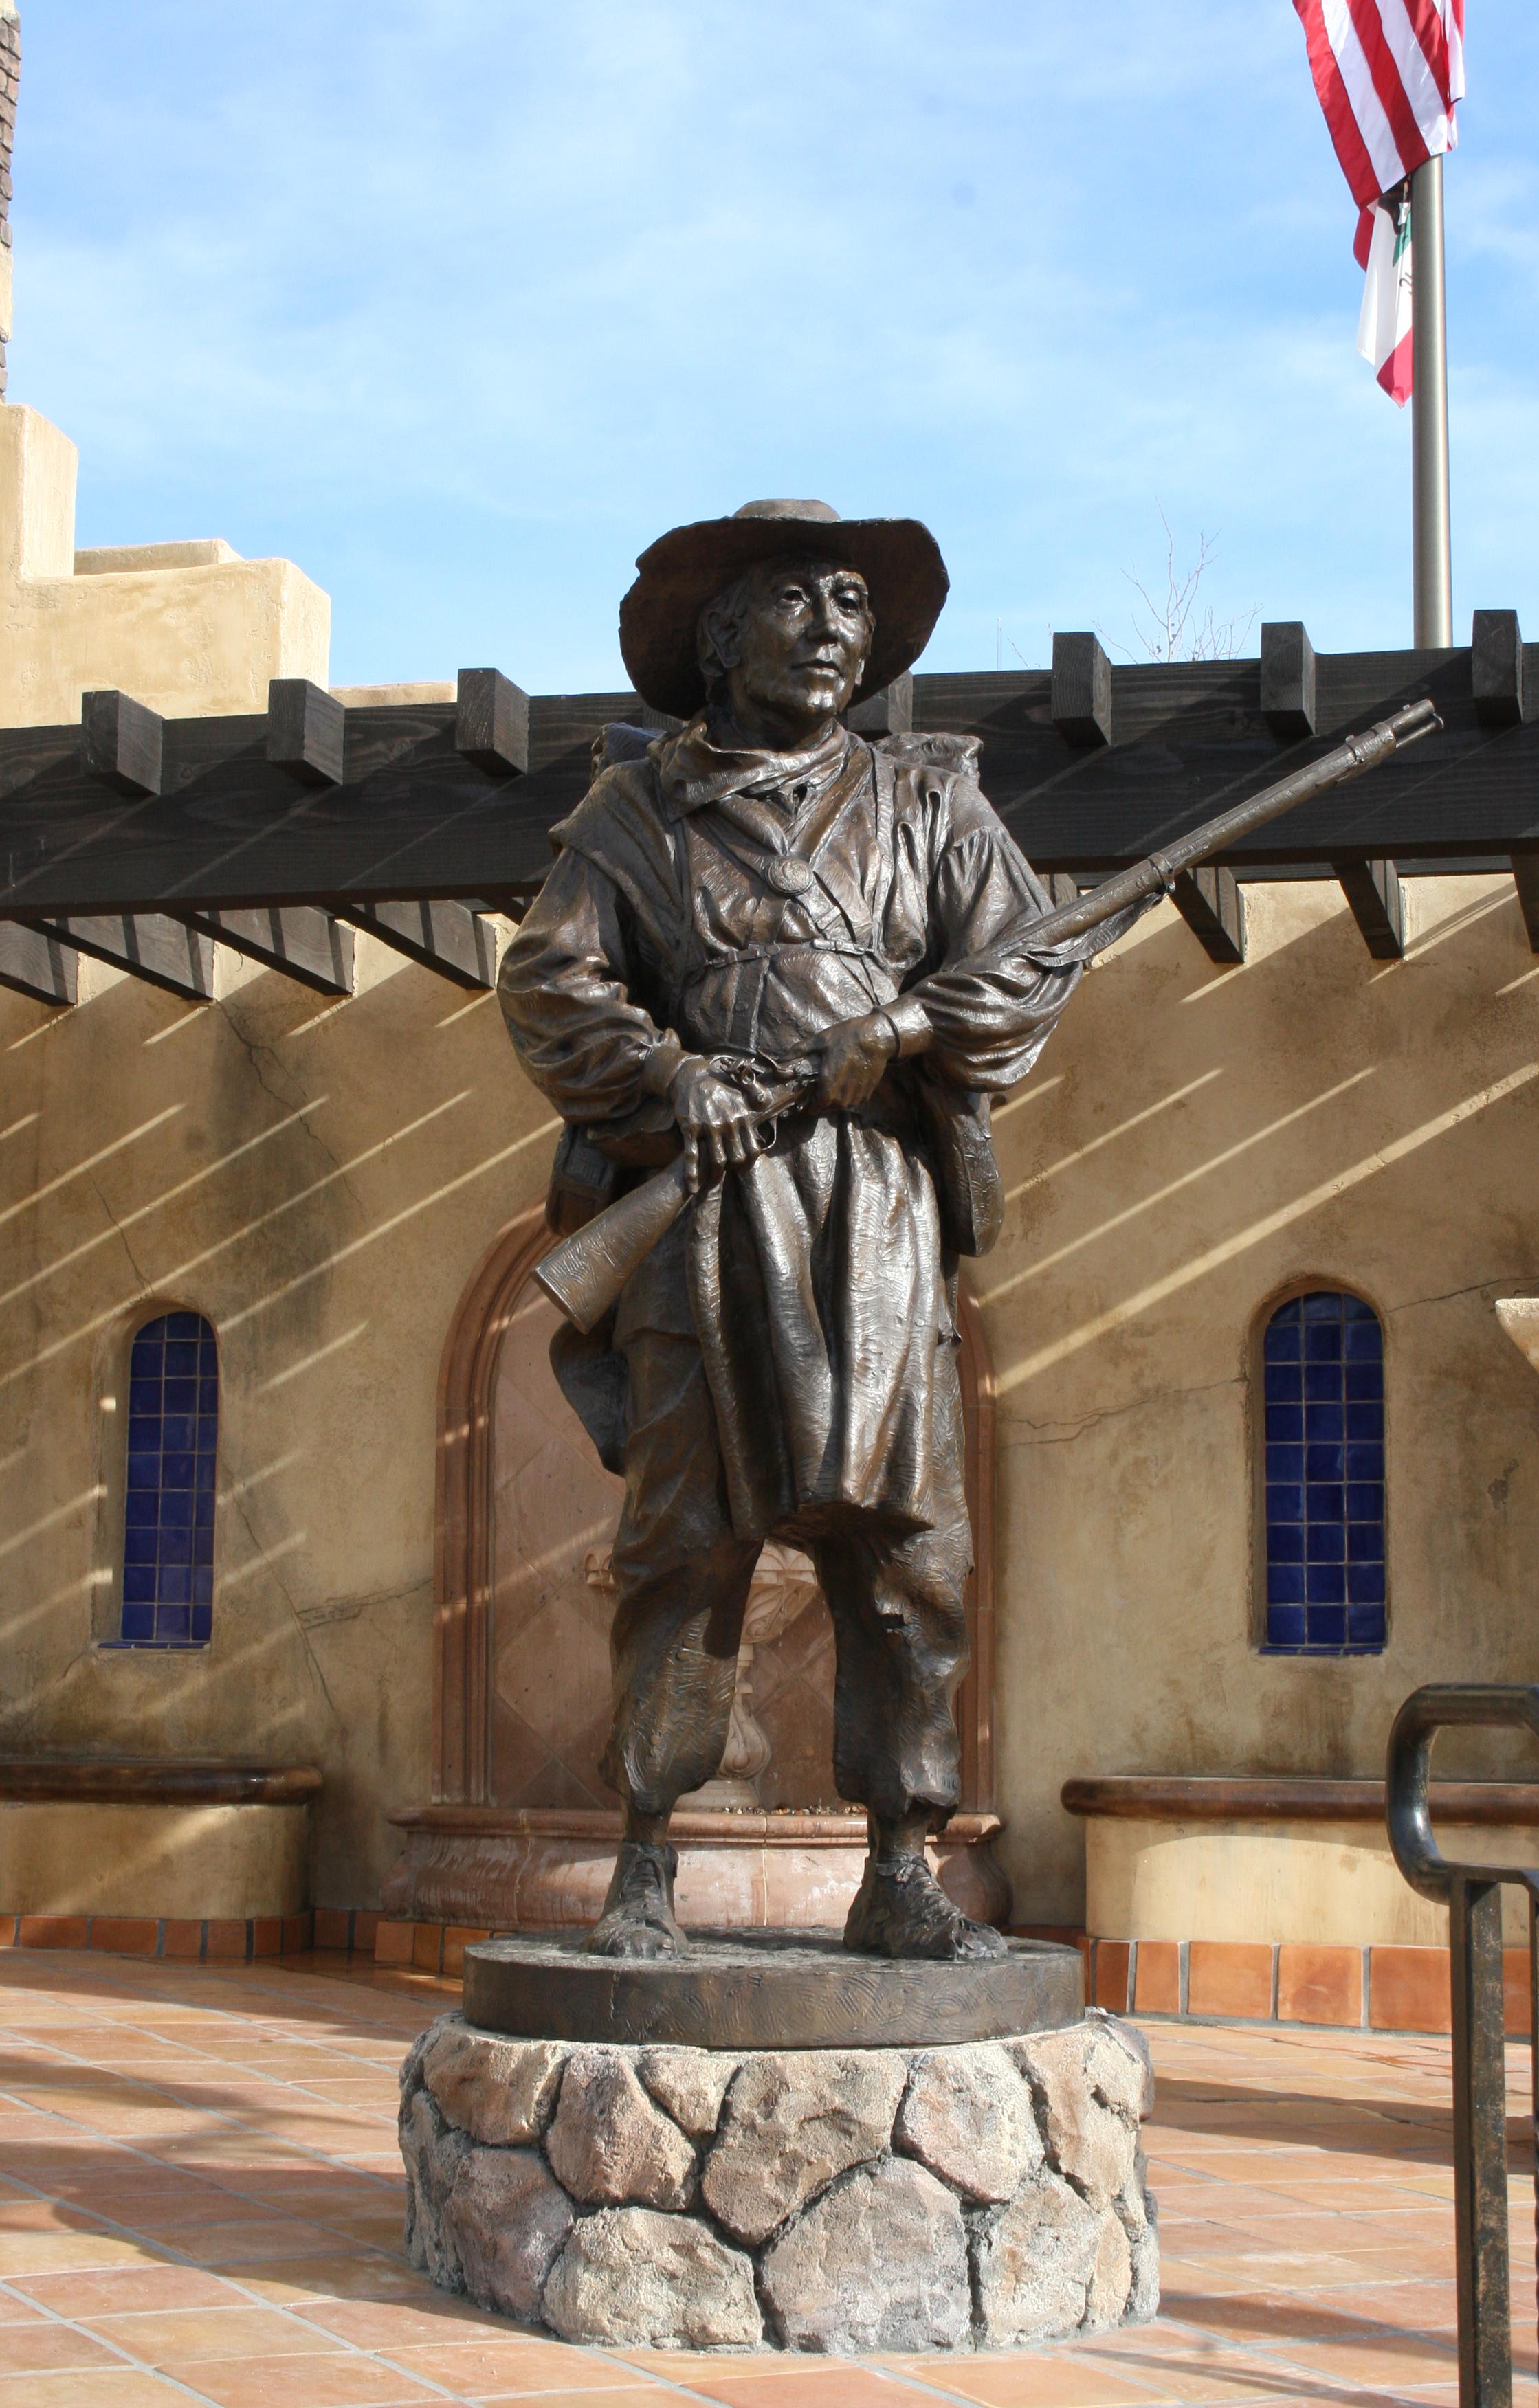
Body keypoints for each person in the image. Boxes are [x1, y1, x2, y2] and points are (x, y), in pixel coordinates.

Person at [498, 499, 1114, 1961]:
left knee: (909, 1557)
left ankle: (900, 1865)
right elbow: (551, 983)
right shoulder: (631, 815)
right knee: (681, 1547)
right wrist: (675, 1077)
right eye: (796, 598)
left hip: (876, 1216)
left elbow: (1029, 963)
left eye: (851, 602)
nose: (834, 625)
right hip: (705, 1214)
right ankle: (644, 1863)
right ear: (720, 637)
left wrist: (898, 1029)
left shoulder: (931, 804)